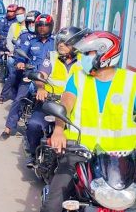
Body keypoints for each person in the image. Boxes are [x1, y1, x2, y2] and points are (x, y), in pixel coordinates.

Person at [42, 30, 136, 212]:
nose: (82, 58)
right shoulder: (78, 78)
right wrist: (59, 130)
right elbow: (66, 104)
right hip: (79, 154)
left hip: (122, 159)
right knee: (52, 206)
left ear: (104, 54)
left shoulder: (131, 82)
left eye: (87, 54)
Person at [24, 26, 83, 168]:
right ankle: (33, 154)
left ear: (76, 44)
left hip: (73, 107)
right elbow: (42, 75)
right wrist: (41, 87)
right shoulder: (51, 57)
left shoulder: (84, 61)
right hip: (50, 103)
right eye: (59, 42)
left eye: (66, 42)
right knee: (34, 125)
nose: (61, 45)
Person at [0, 14, 55, 141]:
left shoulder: (55, 43)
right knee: (19, 99)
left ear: (50, 27)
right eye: (40, 26)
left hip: (49, 79)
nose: (42, 28)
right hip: (30, 76)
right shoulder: (30, 40)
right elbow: (21, 55)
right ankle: (8, 128)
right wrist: (20, 62)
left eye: (45, 26)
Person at [0, 6, 28, 104]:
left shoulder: (30, 29)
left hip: (26, 56)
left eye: (21, 14)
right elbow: (9, 39)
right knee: (13, 73)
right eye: (17, 14)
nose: (19, 16)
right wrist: (11, 50)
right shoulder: (14, 26)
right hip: (15, 53)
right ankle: (3, 95)